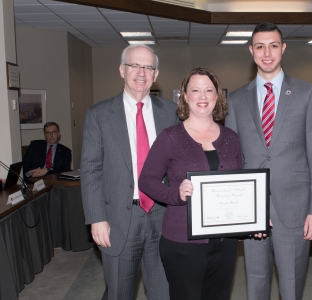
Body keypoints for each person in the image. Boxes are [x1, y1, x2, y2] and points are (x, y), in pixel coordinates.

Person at [225, 22, 312, 300]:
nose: (266, 52)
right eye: (260, 46)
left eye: (273, 45)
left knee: (291, 285)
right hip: (252, 211)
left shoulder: (307, 94)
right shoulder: (235, 100)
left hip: (296, 210)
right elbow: (234, 161)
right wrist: (244, 211)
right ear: (251, 51)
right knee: (256, 283)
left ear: (283, 48)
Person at [80, 44, 178, 300]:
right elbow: (91, 171)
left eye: (148, 66)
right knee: (119, 292)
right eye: (135, 65)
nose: (141, 72)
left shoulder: (171, 113)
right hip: (118, 220)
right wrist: (96, 218)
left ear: (156, 74)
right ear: (122, 70)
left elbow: (180, 165)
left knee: (163, 291)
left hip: (162, 216)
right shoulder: (98, 115)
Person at [138, 67, 242, 300]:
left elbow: (240, 183)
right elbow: (146, 180)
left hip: (225, 241)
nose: (202, 97)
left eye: (209, 90)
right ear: (185, 96)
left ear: (218, 96)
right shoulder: (170, 137)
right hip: (183, 241)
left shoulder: (231, 137)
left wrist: (252, 216)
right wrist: (175, 194)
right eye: (195, 90)